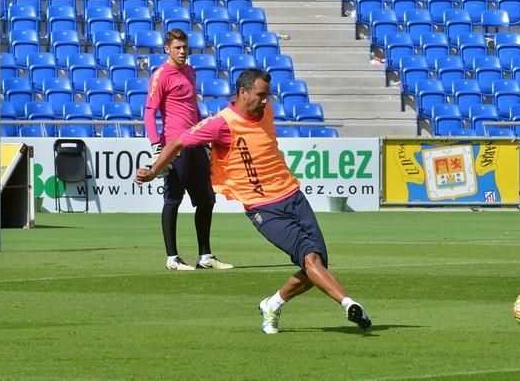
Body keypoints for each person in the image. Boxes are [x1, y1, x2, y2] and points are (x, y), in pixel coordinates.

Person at [136, 68, 371, 334]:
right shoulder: (221, 123)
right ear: (243, 92)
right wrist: (154, 170)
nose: (265, 101)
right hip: (263, 209)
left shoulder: (266, 112)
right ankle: (348, 303)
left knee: (317, 265)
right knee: (311, 260)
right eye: (260, 95)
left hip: (294, 196)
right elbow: (178, 141)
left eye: (267, 96)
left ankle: (272, 304)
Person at [143, 28, 233, 271]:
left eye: (185, 47)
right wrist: (156, 145)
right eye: (177, 48)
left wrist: (206, 132)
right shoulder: (160, 75)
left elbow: (192, 108)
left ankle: (205, 256)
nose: (182, 52)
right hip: (175, 145)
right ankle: (172, 258)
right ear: (167, 49)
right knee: (173, 199)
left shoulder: (190, 72)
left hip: (196, 143)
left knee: (206, 200)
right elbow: (149, 112)